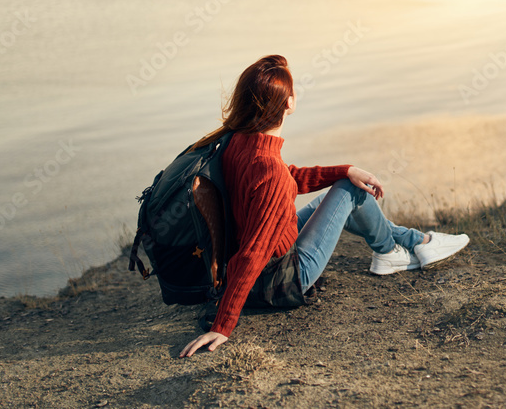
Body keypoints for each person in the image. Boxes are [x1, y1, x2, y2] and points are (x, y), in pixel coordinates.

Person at [179, 55, 469, 357]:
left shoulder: (239, 142)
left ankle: (413, 241)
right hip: (283, 280)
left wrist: (344, 170)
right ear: (288, 104)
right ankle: (390, 252)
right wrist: (222, 324)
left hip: (270, 258)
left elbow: (285, 179)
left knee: (339, 190)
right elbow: (254, 252)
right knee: (349, 192)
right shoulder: (268, 169)